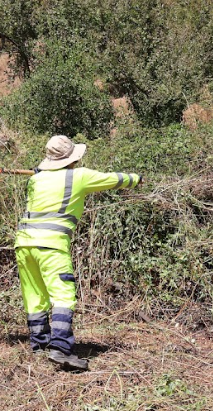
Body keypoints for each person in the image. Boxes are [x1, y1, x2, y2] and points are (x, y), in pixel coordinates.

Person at [15, 135, 142, 370]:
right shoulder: (79, 176)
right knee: (63, 296)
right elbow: (114, 179)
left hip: (23, 244)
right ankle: (61, 350)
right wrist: (137, 179)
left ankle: (39, 346)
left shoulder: (36, 180)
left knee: (35, 296)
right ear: (73, 157)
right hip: (51, 245)